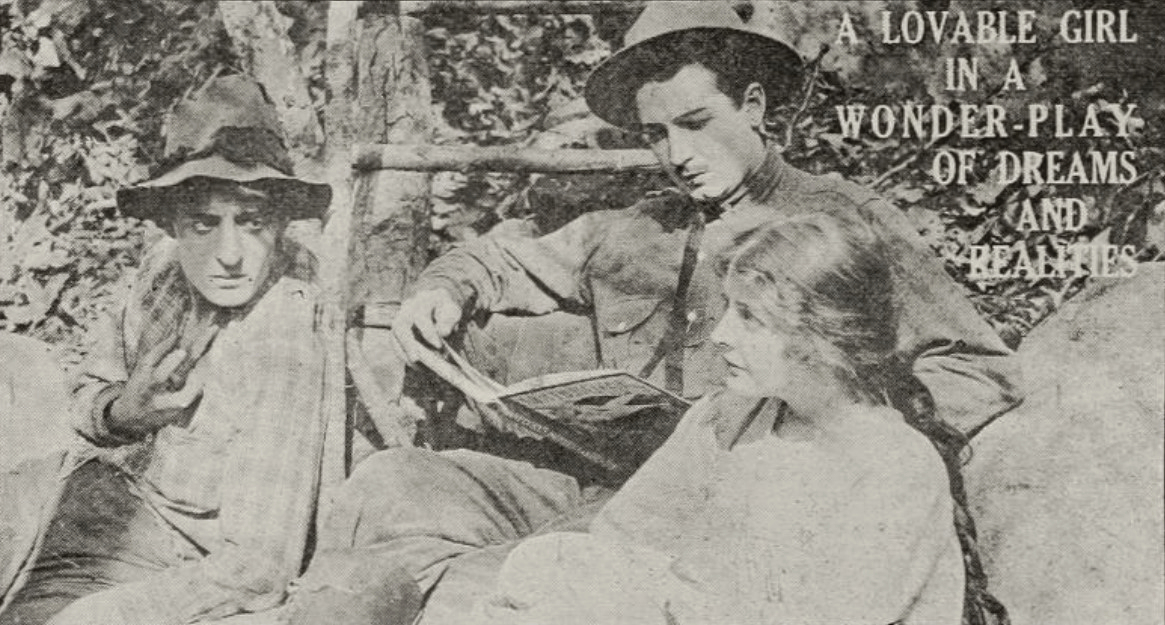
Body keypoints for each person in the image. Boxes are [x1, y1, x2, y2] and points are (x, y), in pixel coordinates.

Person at [301, 2, 1019, 622]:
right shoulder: (636, 227)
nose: (676, 153)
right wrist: (443, 289)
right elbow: (501, 260)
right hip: (602, 482)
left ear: (756, 109)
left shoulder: (837, 229)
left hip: (727, 496)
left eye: (696, 121)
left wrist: (790, 429)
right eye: (654, 133)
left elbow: (979, 372)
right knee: (393, 483)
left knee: (496, 584)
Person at [470, 214, 964, 625]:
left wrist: (665, 597)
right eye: (728, 308)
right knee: (543, 566)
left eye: (750, 317)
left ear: (824, 335)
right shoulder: (727, 418)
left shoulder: (894, 469)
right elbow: (623, 540)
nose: (722, 334)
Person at [0, 76, 344, 625]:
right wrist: (125, 410)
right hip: (82, 501)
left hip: (160, 559)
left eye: (251, 222)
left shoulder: (283, 334)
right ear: (173, 223)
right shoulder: (164, 272)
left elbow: (257, 567)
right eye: (203, 223)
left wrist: (104, 617)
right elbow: (85, 400)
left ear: (280, 225)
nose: (228, 253)